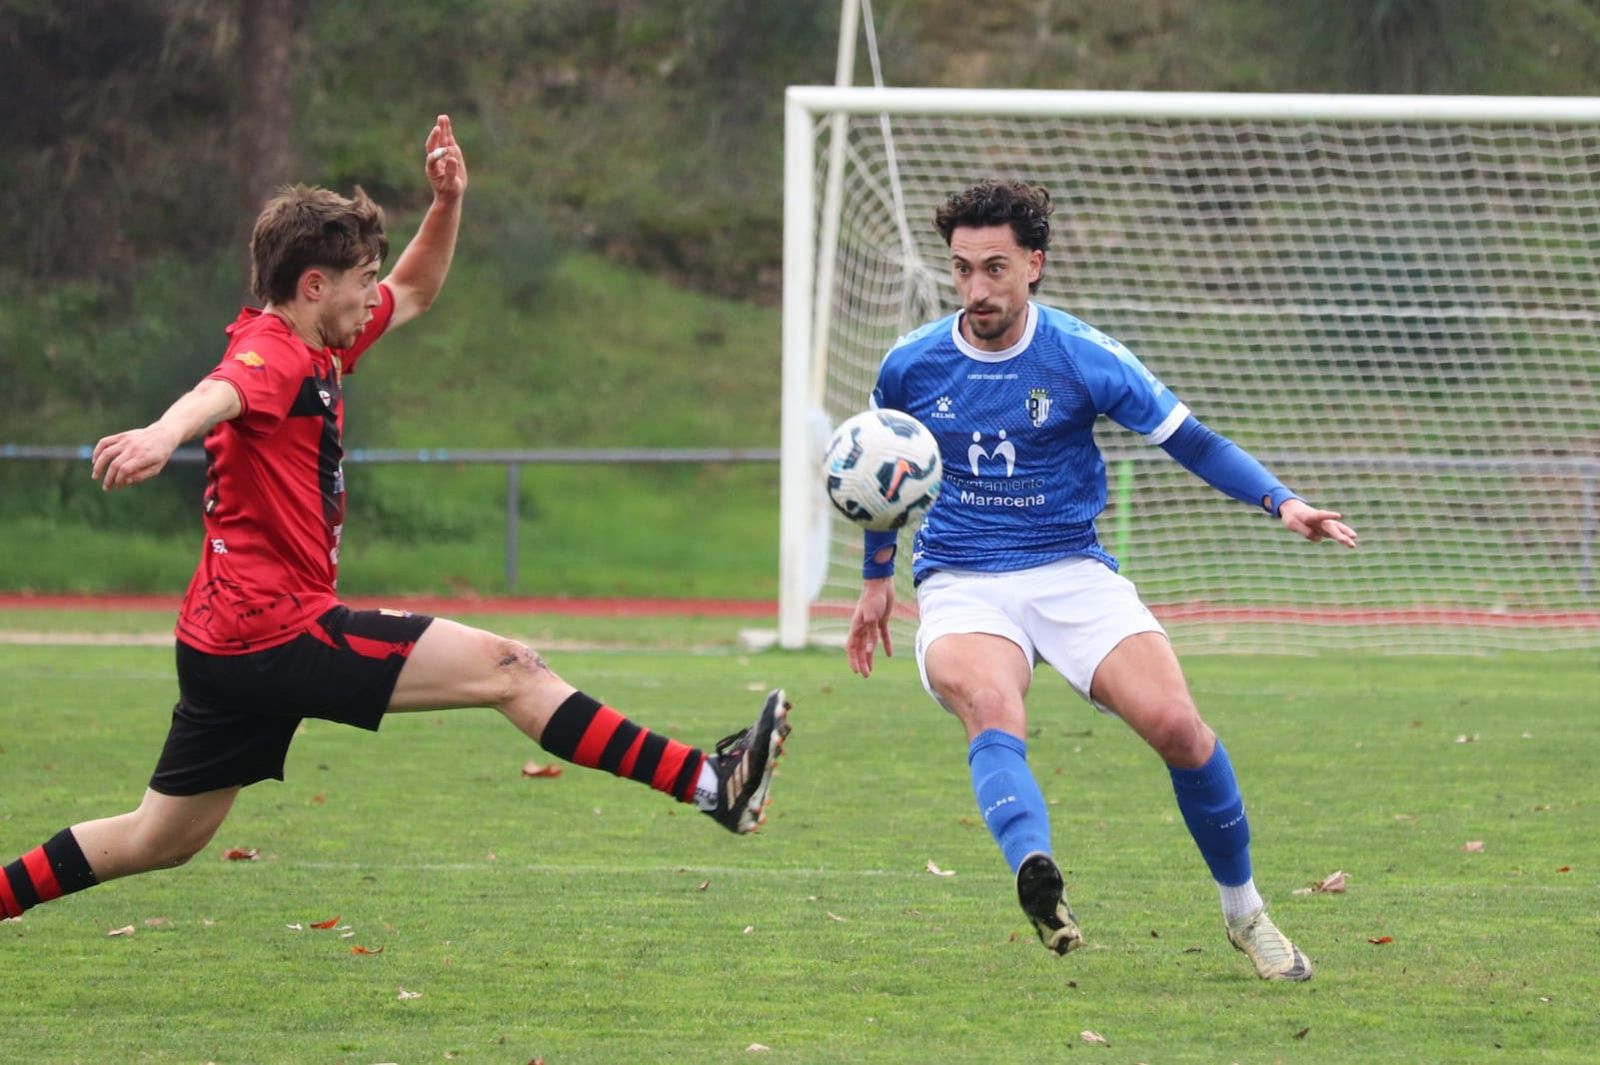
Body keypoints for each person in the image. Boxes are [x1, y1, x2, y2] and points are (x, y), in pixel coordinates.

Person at [0, 115, 790, 927]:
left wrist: (446, 202)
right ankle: (711, 783)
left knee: (156, 837)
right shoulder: (273, 351)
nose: (372, 293)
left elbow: (415, 289)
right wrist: (165, 433)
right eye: (359, 278)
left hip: (221, 637)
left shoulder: (318, 344)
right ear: (313, 285)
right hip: (273, 631)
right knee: (509, 666)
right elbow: (223, 390)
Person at [845, 180, 1356, 982]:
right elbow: (884, 475)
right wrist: (878, 579)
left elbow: (1192, 440)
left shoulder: (1083, 354)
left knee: (1181, 728)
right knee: (989, 704)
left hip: (1072, 571)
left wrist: (1281, 500)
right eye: (962, 269)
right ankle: (1036, 869)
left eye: (995, 269)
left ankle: (1244, 911)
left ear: (1034, 266)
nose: (976, 289)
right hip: (962, 578)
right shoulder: (910, 365)